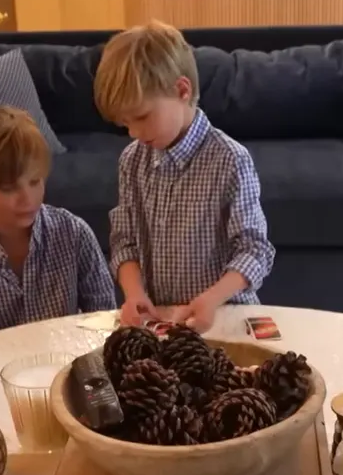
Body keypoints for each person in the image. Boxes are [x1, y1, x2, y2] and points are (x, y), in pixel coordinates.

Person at [94, 19, 275, 333]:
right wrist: (133, 293)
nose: (134, 132)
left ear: (181, 90)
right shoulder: (132, 161)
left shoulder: (230, 159)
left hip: (224, 318)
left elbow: (255, 250)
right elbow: (124, 241)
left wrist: (211, 299)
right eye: (125, 124)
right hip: (164, 324)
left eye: (142, 117)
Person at [0, 106, 117, 344]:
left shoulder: (75, 234)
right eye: (8, 188)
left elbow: (107, 327)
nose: (27, 198)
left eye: (35, 181)